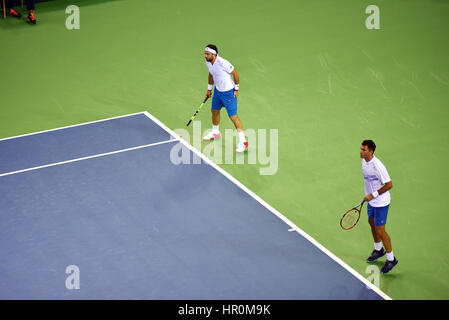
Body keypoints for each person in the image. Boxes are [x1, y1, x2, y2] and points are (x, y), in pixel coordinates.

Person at [360, 140, 398, 274]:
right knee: (371, 223)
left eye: (364, 150)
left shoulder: (378, 166)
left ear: (371, 151)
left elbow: (389, 185)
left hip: (381, 202)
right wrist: (368, 196)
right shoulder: (364, 161)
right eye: (361, 149)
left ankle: (391, 259)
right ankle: (378, 249)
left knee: (381, 231)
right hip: (371, 201)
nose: (361, 152)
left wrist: (373, 194)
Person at [202, 44, 248, 153]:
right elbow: (211, 74)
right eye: (205, 54)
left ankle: (243, 141)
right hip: (218, 91)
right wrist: (209, 89)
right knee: (214, 111)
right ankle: (215, 133)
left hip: (228, 93)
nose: (205, 56)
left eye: (207, 54)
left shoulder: (223, 63)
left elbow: (235, 74)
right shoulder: (208, 62)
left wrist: (236, 89)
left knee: (233, 117)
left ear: (214, 54)